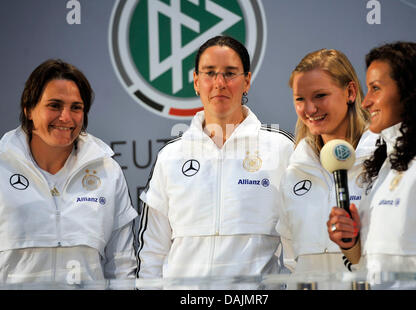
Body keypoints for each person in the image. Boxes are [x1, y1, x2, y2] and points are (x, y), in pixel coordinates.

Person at [136, 36, 294, 288]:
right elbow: (152, 252)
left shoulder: (280, 149)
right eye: (210, 73)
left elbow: (298, 245)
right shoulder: (171, 156)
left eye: (230, 73)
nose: (220, 83)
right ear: (196, 82)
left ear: (247, 81)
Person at [0, 59, 137, 286]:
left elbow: (121, 264)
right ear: (29, 110)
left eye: (76, 107)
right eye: (54, 105)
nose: (66, 117)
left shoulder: (107, 171)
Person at [327, 42, 416, 289]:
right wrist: (350, 243)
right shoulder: (384, 165)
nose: (366, 102)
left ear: (412, 90)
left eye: (375, 89)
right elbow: (372, 267)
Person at [276, 49, 377, 289]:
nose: (309, 109)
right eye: (300, 99)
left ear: (350, 92)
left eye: (320, 95)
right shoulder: (293, 172)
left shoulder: (384, 160)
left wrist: (353, 245)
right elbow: (293, 261)